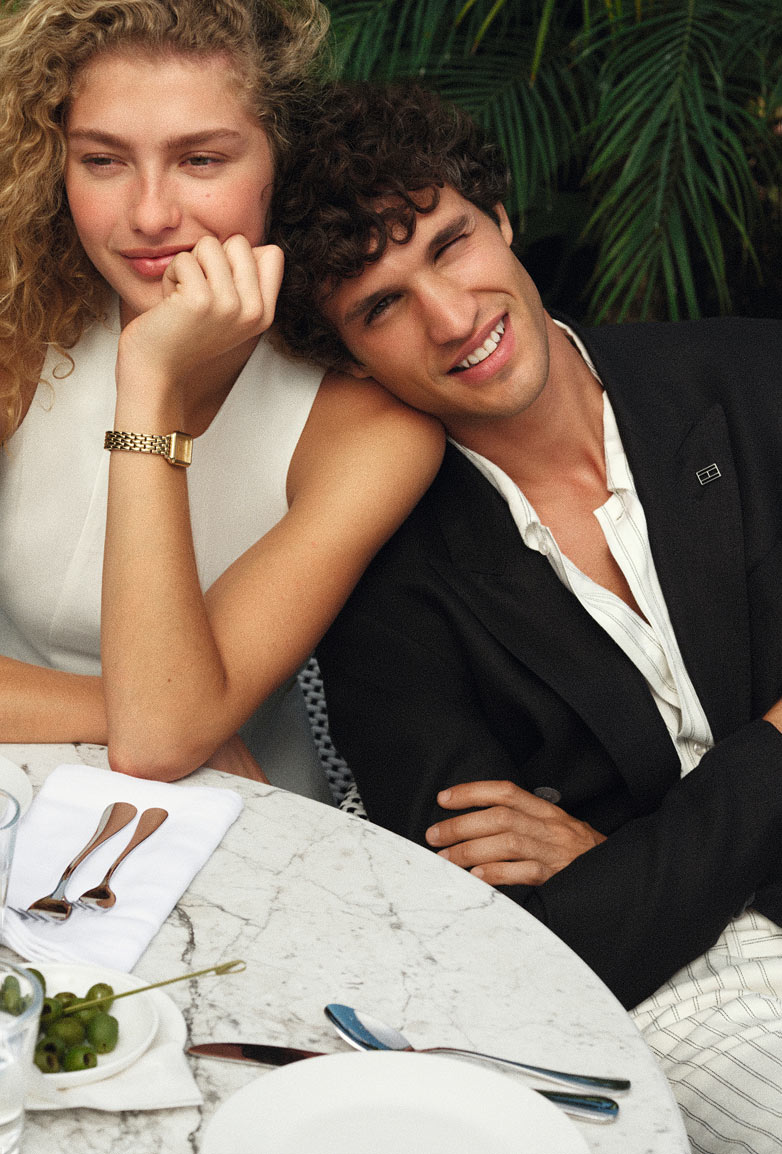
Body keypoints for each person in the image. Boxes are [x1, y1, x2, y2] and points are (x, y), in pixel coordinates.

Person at [271, 81, 782, 1150]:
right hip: (684, 997)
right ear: (344, 357)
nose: (451, 317)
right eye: (381, 304)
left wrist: (618, 849)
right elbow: (537, 946)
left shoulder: (755, 380)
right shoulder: (384, 597)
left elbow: (598, 897)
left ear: (499, 218)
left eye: (450, 244)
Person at [0, 2, 443, 801]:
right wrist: (119, 712)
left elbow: (162, 739)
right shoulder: (21, 322)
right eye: (103, 160)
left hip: (239, 827)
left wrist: (149, 380)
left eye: (200, 160)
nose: (149, 215)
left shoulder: (368, 427)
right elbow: (159, 725)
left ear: (283, 161)